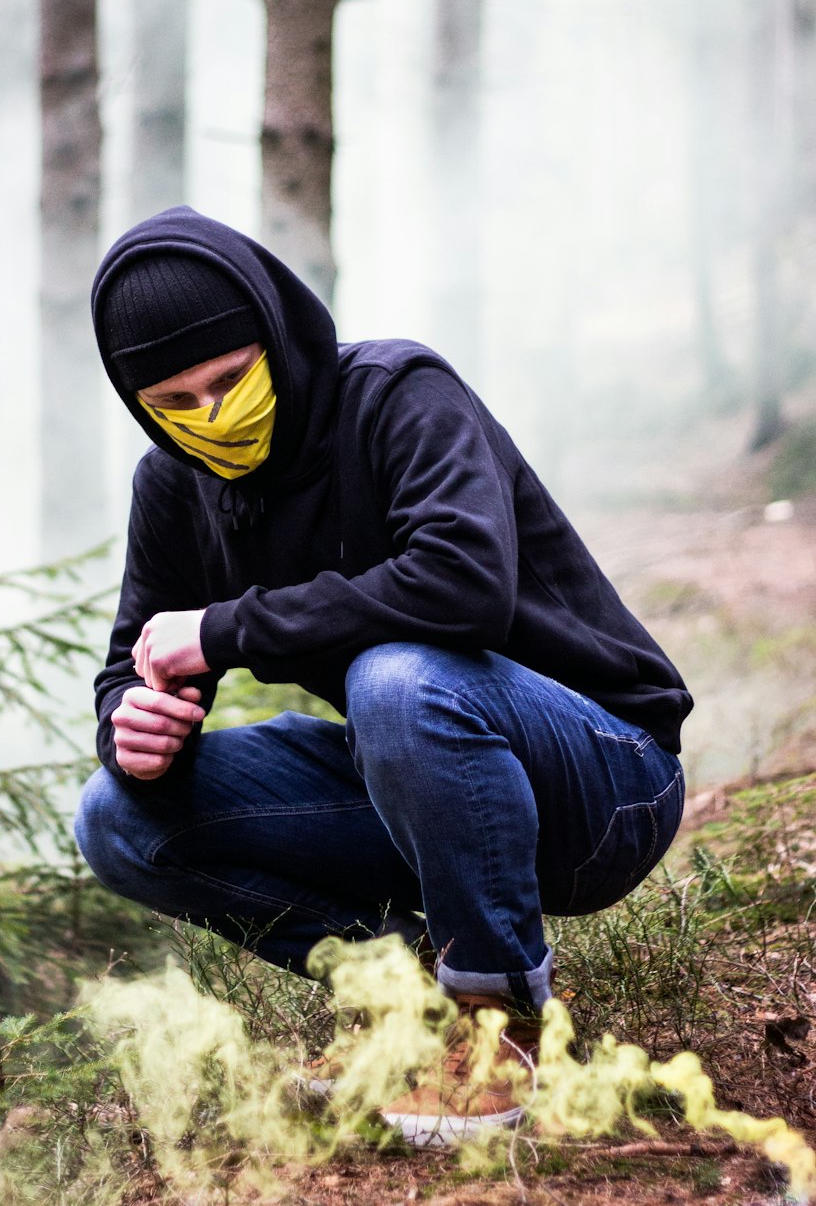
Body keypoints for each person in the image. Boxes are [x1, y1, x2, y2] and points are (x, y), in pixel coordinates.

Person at [75, 205, 691, 1142]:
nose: (211, 414)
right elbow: (134, 656)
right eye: (175, 403)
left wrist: (228, 629)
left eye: (231, 379)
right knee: (116, 820)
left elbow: (465, 585)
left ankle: (499, 1026)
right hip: (419, 787)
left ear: (275, 334)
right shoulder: (173, 483)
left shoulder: (397, 392)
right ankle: (407, 1000)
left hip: (606, 782)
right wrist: (133, 728)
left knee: (395, 680)